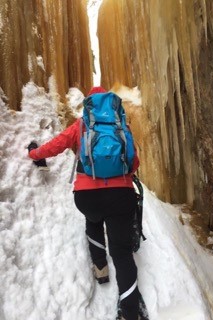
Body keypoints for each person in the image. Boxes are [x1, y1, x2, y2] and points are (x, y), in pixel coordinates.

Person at [28, 86, 144, 320]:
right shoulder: (120, 125)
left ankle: (100, 268)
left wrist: (34, 154)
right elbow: (134, 163)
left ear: (90, 103)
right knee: (121, 253)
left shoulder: (83, 124)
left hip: (87, 195)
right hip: (121, 195)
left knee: (93, 222)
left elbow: (56, 145)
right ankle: (131, 312)